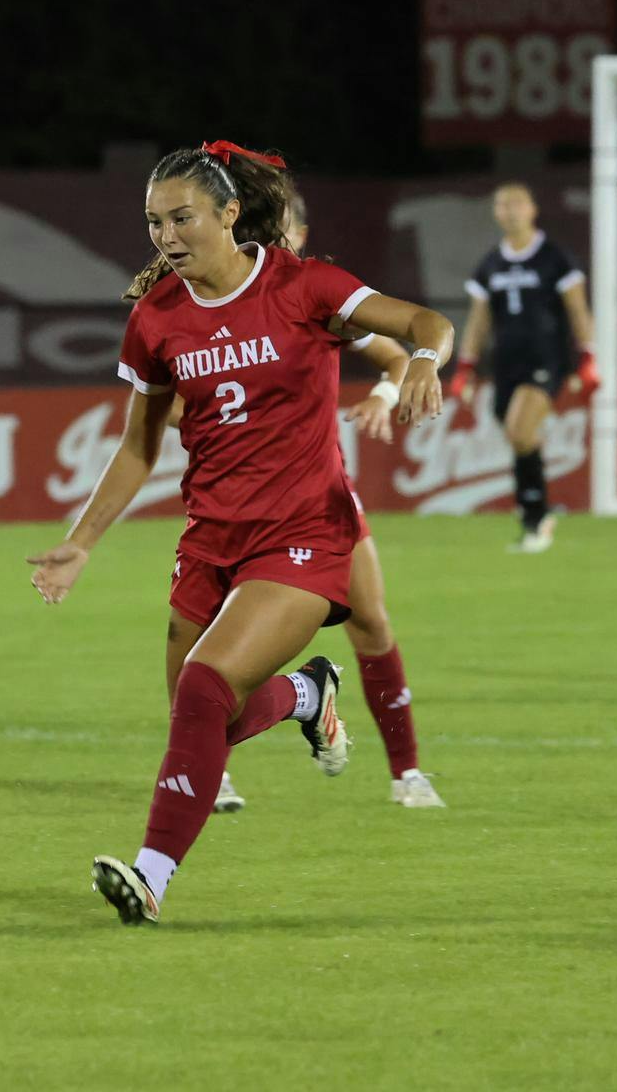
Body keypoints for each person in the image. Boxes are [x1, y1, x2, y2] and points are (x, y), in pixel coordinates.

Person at [29, 141, 454, 925]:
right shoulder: (157, 319)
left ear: (229, 214)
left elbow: (424, 320)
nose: (166, 235)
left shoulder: (305, 286)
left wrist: (421, 361)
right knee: (207, 717)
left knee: (203, 683)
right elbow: (138, 445)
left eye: (182, 217)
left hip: (302, 536)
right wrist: (82, 539)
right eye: (155, 222)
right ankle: (303, 695)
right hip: (210, 539)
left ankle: (151, 877)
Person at [192, 189, 444, 814]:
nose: (278, 243)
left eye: (286, 232)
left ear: (301, 237)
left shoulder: (313, 299)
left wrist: (388, 395)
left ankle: (407, 772)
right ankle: (221, 760)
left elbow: (394, 354)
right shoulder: (209, 306)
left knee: (371, 621)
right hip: (234, 505)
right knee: (208, 642)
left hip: (315, 503)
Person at [449, 182, 598, 552]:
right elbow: (479, 321)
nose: (510, 210)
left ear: (532, 209)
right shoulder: (490, 264)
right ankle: (534, 511)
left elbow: (578, 309)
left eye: (517, 203)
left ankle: (537, 517)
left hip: (546, 361)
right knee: (519, 435)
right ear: (496, 213)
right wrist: (465, 366)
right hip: (506, 366)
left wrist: (589, 358)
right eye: (502, 205)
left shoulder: (554, 258)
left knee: (520, 430)